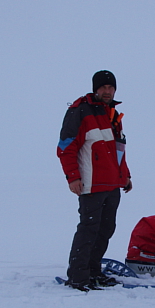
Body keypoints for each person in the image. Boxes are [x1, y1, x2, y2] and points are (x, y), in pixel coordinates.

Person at [57, 70, 132, 291]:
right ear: (95, 89)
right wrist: (73, 178)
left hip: (112, 184)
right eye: (103, 87)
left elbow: (119, 150)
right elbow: (65, 147)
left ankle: (93, 272)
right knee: (89, 229)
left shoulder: (113, 115)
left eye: (111, 88)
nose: (107, 91)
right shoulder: (80, 111)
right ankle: (78, 277)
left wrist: (125, 175)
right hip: (91, 184)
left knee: (105, 229)